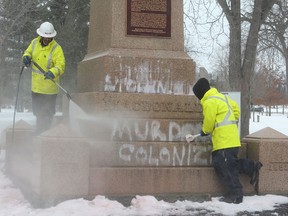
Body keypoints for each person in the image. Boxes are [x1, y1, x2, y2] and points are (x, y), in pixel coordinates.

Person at [192, 77, 262, 204]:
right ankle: (252, 167)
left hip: (223, 141)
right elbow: (236, 109)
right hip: (232, 139)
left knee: (225, 168)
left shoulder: (209, 102)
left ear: (200, 93)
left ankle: (236, 195)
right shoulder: (222, 98)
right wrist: (231, 122)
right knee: (229, 164)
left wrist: (205, 131)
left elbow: (209, 121)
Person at [22, 21, 66, 134]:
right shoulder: (34, 43)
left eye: (49, 37)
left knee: (46, 114)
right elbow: (28, 52)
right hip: (36, 88)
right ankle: (39, 135)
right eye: (45, 37)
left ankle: (46, 135)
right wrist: (26, 57)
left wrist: (52, 72)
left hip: (49, 90)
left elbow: (61, 65)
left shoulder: (57, 48)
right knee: (38, 114)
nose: (47, 39)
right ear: (41, 35)